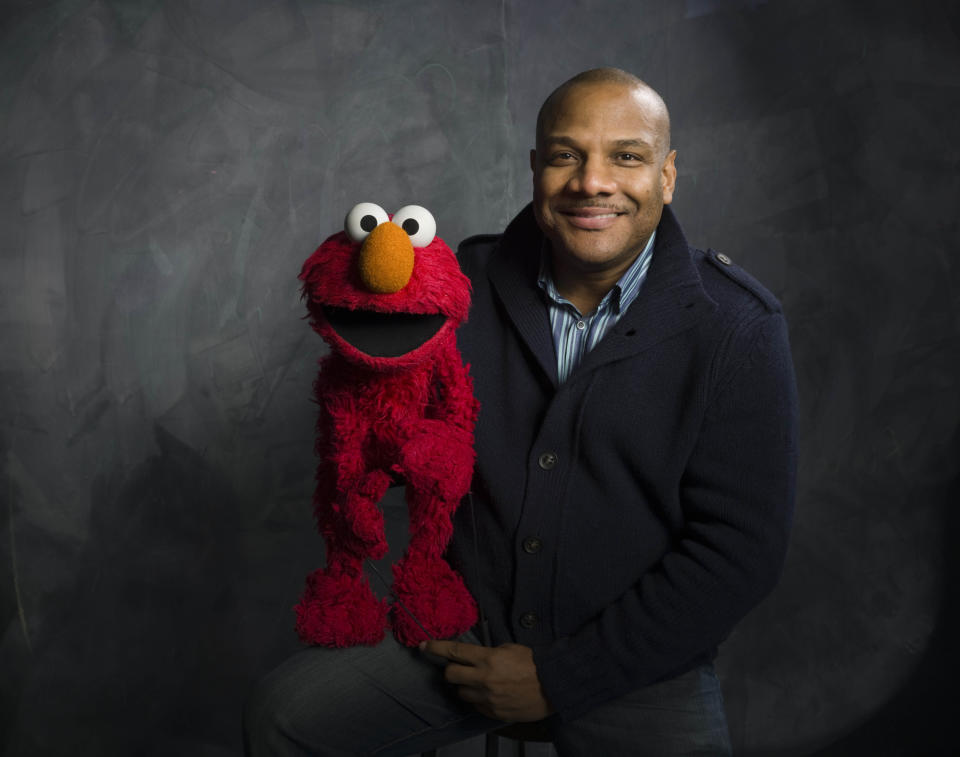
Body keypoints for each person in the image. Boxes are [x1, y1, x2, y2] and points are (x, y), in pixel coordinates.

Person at [243, 67, 798, 756]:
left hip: (634, 659)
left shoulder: (737, 326)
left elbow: (739, 552)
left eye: (626, 157)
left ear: (667, 176)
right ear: (536, 168)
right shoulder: (460, 287)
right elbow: (387, 453)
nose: (592, 182)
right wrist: (373, 349)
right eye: (566, 155)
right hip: (461, 631)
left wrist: (562, 677)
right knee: (285, 716)